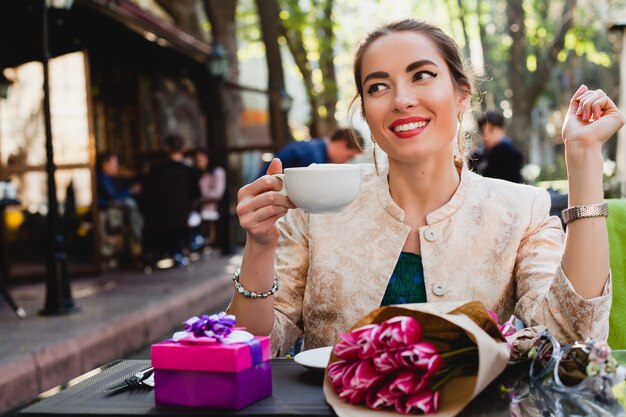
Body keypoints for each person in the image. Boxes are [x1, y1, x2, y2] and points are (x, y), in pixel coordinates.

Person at [230, 19, 622, 357]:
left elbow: (573, 341)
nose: (401, 100)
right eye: (378, 87)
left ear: (461, 96)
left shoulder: (521, 211)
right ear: (366, 111)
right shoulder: (314, 209)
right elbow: (254, 346)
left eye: (422, 75)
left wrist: (584, 155)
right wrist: (260, 247)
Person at [96, 151, 143, 266]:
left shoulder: (111, 178)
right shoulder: (102, 178)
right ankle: (136, 246)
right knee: (130, 205)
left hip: (112, 210)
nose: (116, 166)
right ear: (105, 164)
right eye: (114, 163)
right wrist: (130, 191)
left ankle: (136, 244)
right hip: (106, 210)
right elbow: (111, 195)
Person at [258, 128, 365, 176]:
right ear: (342, 144)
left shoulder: (314, 148)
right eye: (350, 156)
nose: (346, 162)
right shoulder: (313, 159)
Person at [471, 111, 524, 183]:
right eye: (483, 131)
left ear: (502, 130)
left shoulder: (511, 155)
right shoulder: (481, 154)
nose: (486, 135)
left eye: (491, 130)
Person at [191, 148, 226, 247]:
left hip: (212, 209)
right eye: (197, 160)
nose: (199, 162)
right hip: (198, 211)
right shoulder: (198, 174)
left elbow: (217, 193)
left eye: (201, 158)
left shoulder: (217, 172)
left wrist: (201, 197)